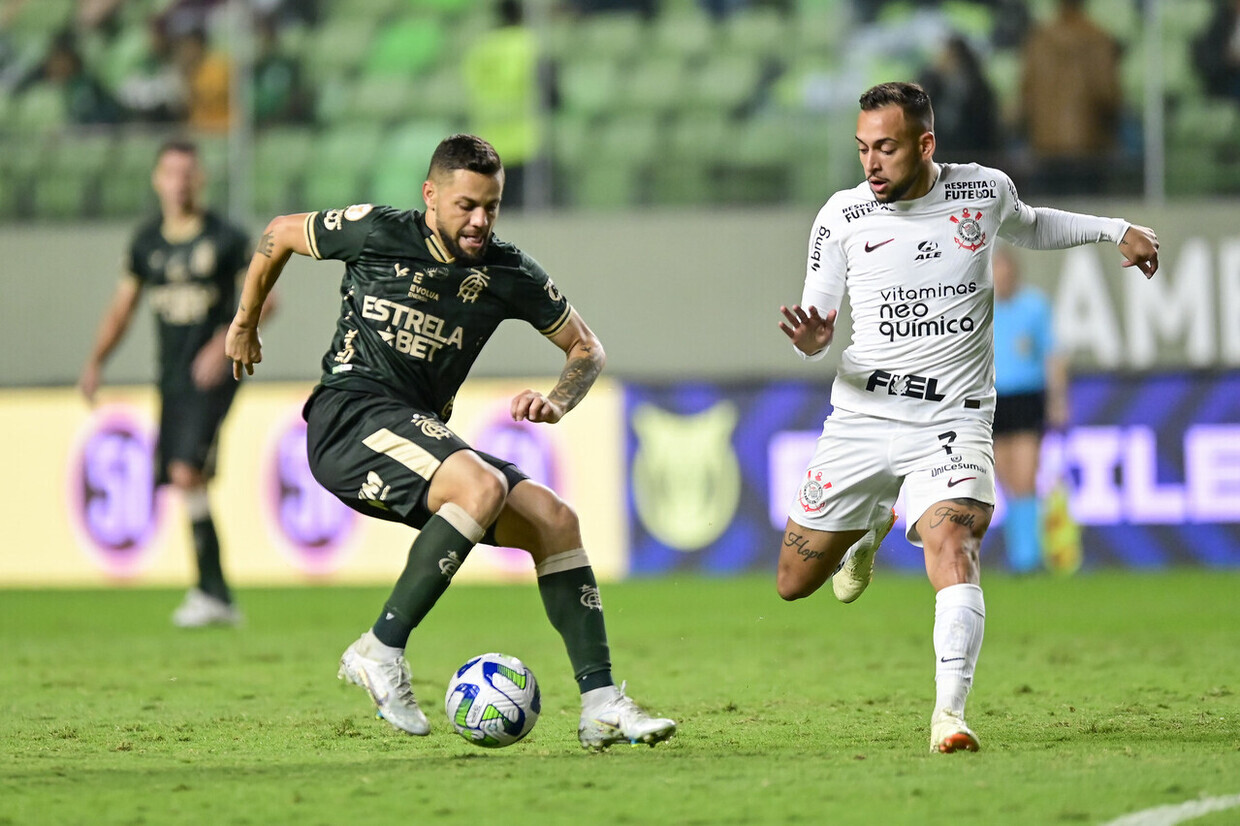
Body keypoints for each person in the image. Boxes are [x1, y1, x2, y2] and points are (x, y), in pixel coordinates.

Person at [224, 134, 676, 750]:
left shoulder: (507, 269)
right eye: (466, 205)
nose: (480, 221)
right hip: (348, 416)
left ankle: (600, 705)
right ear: (430, 195)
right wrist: (245, 322)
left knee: (554, 520)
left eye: (492, 206)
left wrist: (558, 400)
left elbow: (587, 348)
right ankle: (379, 649)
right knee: (481, 483)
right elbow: (278, 232)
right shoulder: (375, 231)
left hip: (413, 426)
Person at [776, 82, 1158, 753]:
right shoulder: (840, 216)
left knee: (956, 546)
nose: (870, 163)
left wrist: (1115, 228)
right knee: (793, 583)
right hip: (862, 419)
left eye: (886, 148)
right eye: (863, 148)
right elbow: (819, 319)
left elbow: (1034, 224)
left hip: (951, 420)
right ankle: (870, 527)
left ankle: (948, 715)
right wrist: (813, 340)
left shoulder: (982, 192)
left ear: (925, 144)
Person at [79, 139, 264, 627]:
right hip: (172, 375)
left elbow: (269, 297)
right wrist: (96, 361)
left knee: (185, 471)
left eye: (188, 173)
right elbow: (123, 308)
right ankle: (214, 593)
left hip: (216, 371)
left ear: (200, 179)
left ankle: (212, 593)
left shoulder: (225, 237)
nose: (180, 182)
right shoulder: (146, 244)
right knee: (188, 479)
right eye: (171, 173)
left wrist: (226, 336)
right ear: (157, 180)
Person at [991, 244, 1068, 574]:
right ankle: (1021, 551)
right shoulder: (981, 310)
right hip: (992, 400)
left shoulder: (1034, 307)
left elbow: (1053, 354)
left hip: (1025, 397)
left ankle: (1028, 556)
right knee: (1007, 481)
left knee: (1025, 477)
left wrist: (1057, 400)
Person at [1018, 0, 1122, 195]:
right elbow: (1108, 94)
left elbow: (1025, 96)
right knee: (1089, 220)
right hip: (1089, 147)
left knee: (1050, 219)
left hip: (1044, 145)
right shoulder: (1098, 39)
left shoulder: (1038, 40)